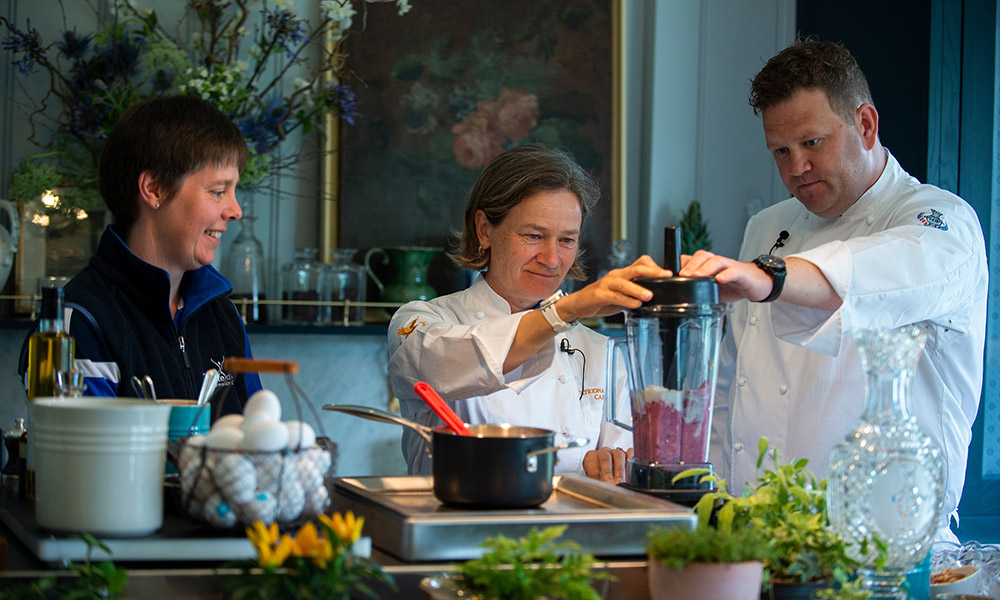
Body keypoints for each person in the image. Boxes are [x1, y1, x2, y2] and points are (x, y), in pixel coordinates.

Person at [680, 40, 987, 542]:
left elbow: (873, 273)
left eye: (812, 142)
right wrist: (709, 506)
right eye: (780, 150)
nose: (795, 166)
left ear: (865, 125)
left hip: (886, 544)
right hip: (755, 535)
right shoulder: (767, 226)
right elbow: (730, 383)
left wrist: (768, 277)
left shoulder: (941, 222)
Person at [388, 144, 672, 483]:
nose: (552, 259)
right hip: (458, 530)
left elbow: (626, 458)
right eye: (534, 236)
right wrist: (567, 309)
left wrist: (611, 464)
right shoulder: (419, 323)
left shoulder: (600, 352)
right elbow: (452, 360)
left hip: (570, 532)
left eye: (567, 240)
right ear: (484, 229)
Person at [19, 95, 263, 414]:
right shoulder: (75, 324)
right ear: (155, 190)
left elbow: (257, 436)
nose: (235, 210)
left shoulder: (223, 315)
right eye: (218, 192)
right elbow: (91, 459)